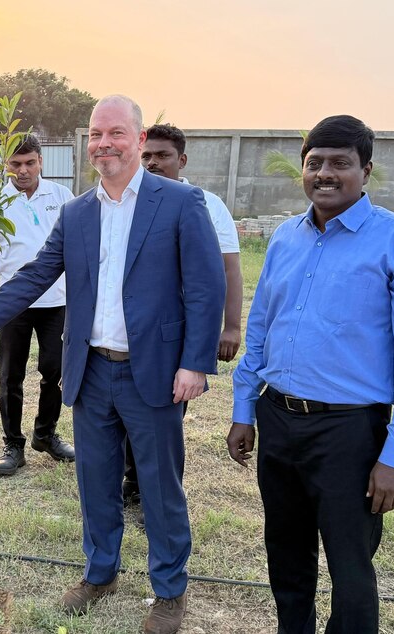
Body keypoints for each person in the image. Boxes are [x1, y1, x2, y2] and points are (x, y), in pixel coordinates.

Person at [0, 95, 225, 634]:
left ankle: (169, 590)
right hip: (92, 371)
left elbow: (205, 286)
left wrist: (195, 362)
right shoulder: (77, 213)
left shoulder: (181, 203)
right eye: (97, 135)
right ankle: (101, 573)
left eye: (117, 133)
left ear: (140, 139)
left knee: (158, 485)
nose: (105, 144)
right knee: (95, 480)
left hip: (154, 371)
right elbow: (35, 276)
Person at [228, 115, 394, 633]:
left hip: (350, 432)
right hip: (277, 420)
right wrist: (243, 411)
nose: (326, 174)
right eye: (315, 163)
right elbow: (260, 328)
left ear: (365, 171)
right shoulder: (284, 237)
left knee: (350, 567)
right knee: (285, 551)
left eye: (340, 164)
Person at [122, 123, 244, 506]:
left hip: (177, 333)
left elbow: (228, 270)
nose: (153, 163)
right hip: (129, 330)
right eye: (147, 156)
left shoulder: (204, 203)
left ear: (182, 159)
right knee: (126, 412)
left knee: (164, 415)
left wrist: (231, 327)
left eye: (163, 156)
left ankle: (153, 491)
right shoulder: (124, 200)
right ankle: (131, 481)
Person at [0, 133, 76, 476]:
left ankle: (46, 434)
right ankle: (13, 443)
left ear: (41, 161)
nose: (23, 171)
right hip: (12, 301)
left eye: (29, 163)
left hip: (57, 302)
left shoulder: (63, 197)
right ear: (6, 165)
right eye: (15, 164)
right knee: (10, 375)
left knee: (55, 371)